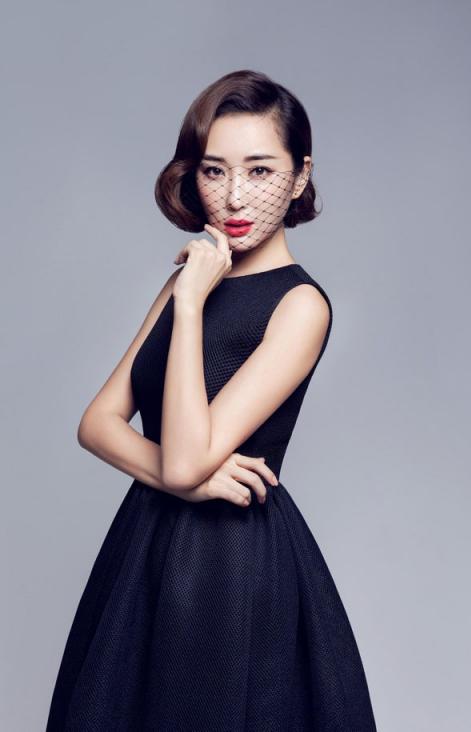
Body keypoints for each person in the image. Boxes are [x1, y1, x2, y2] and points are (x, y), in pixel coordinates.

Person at [46, 69, 377, 731]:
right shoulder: (184, 285)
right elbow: (98, 424)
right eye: (214, 170)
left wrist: (193, 303)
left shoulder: (300, 306)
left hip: (231, 566)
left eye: (260, 171)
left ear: (301, 175)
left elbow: (184, 457)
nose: (234, 196)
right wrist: (188, 482)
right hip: (144, 551)